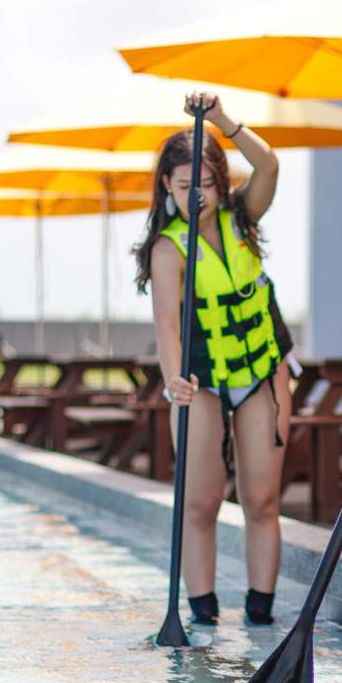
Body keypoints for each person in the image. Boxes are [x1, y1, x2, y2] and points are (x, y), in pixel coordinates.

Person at [135, 90, 296, 628]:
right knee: (200, 503)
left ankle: (260, 619)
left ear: (220, 182)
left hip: (262, 373)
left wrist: (223, 119)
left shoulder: (244, 216)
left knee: (262, 500)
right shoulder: (167, 247)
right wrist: (174, 380)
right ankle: (202, 619)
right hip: (199, 382)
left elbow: (268, 163)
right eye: (185, 187)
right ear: (167, 188)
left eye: (205, 184)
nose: (197, 197)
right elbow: (166, 327)